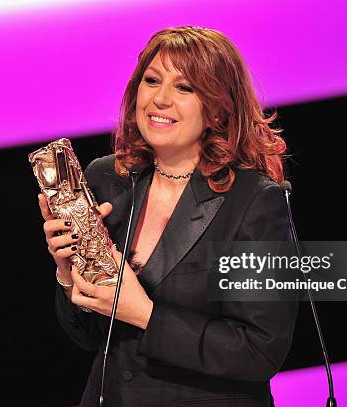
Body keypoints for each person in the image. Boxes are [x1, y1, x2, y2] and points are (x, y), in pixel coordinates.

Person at [38, 26, 298, 407]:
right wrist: (67, 272)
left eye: (184, 88)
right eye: (152, 80)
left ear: (218, 108)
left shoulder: (254, 200)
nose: (160, 99)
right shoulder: (107, 178)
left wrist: (144, 313)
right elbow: (91, 335)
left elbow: (258, 351)